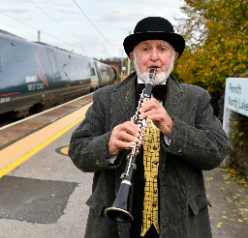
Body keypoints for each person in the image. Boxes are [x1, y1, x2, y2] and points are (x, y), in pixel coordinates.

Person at [69, 17, 232, 238]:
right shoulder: (105, 98)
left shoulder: (196, 98)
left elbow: (218, 152)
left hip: (180, 224)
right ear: (132, 56)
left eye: (162, 49)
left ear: (174, 56)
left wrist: (173, 128)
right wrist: (108, 145)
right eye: (145, 48)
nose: (154, 57)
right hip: (113, 224)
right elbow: (77, 150)